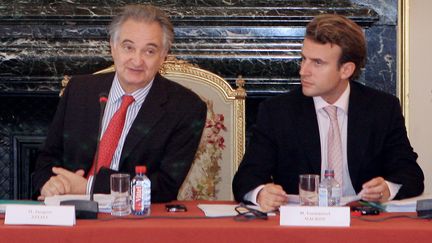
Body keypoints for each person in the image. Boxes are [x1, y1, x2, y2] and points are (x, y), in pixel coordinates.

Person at [232, 14, 424, 211]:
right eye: (303, 59)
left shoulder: (382, 108)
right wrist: (261, 193)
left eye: (317, 63)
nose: (303, 71)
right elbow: (245, 179)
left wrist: (387, 189)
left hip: (362, 225)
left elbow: (410, 174)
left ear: (346, 70)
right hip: (302, 227)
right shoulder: (277, 112)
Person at [32, 4, 207, 203]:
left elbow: (165, 185)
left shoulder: (185, 108)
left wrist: (89, 187)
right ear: (113, 48)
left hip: (133, 219)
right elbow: (47, 157)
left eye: (149, 51)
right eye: (128, 47)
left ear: (163, 55)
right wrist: (49, 183)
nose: (137, 60)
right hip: (70, 211)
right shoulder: (80, 91)